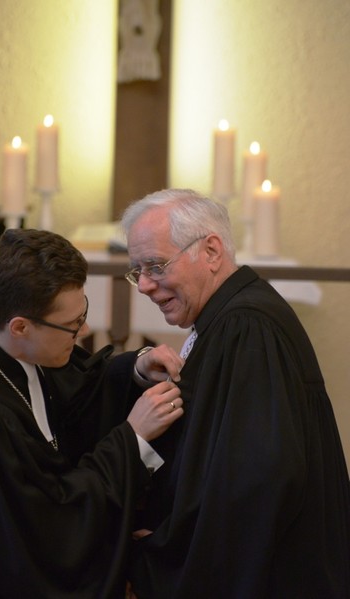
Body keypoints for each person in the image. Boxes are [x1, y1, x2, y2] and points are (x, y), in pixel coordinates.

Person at [121, 188, 350, 599]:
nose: (143, 285)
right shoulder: (229, 317)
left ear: (211, 251)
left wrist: (168, 549)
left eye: (155, 266)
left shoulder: (248, 326)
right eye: (136, 270)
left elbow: (255, 480)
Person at [0, 228, 185, 599]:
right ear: (21, 326)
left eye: (83, 314)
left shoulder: (12, 346)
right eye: (73, 325)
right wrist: (132, 439)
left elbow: (74, 397)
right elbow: (44, 530)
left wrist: (135, 370)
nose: (85, 330)